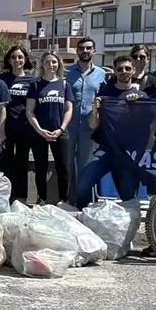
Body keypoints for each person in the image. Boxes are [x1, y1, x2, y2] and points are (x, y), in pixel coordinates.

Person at [71, 54, 145, 209]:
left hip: (128, 153)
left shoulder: (141, 96)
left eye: (127, 68)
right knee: (83, 185)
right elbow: (93, 125)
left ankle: (127, 222)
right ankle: (81, 213)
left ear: (133, 71)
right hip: (105, 150)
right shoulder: (104, 93)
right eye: (120, 69)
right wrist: (95, 109)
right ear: (115, 72)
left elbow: (146, 126)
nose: (124, 72)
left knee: (128, 196)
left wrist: (137, 106)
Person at [25, 52, 73, 204]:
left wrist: (61, 129)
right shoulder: (35, 85)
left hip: (60, 133)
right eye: (47, 62)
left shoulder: (64, 85)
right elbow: (29, 111)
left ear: (58, 64)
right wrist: (39, 130)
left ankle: (63, 201)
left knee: (63, 168)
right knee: (41, 167)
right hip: (39, 133)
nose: (51, 65)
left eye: (54, 62)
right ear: (42, 65)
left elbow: (69, 110)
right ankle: (42, 200)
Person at [65, 37, 107, 194]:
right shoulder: (67, 73)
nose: (85, 51)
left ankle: (83, 199)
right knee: (67, 163)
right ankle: (68, 198)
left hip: (90, 126)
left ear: (94, 51)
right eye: (81, 48)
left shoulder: (102, 74)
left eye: (88, 48)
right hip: (68, 125)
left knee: (85, 164)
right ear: (77, 51)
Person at [0, 46, 37, 202]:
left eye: (20, 57)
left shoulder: (32, 80)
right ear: (9, 60)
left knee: (22, 162)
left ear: (25, 59)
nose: (17, 60)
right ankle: (6, 198)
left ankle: (21, 198)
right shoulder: (3, 79)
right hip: (7, 127)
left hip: (25, 128)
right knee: (6, 163)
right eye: (14, 57)